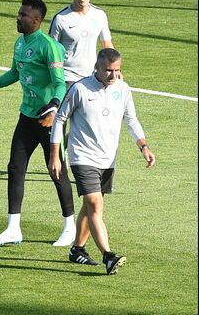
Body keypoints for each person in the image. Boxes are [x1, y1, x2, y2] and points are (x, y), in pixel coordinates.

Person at [0, 0, 73, 246]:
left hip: (48, 119)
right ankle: (13, 228)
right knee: (15, 167)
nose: (18, 18)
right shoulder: (20, 43)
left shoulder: (48, 46)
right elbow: (14, 73)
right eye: (18, 13)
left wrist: (54, 106)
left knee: (56, 170)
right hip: (26, 116)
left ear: (36, 20)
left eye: (23, 14)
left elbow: (60, 83)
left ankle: (70, 226)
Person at [48, 48, 154, 274]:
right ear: (97, 67)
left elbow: (131, 119)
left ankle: (77, 249)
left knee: (90, 206)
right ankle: (108, 256)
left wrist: (143, 146)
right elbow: (60, 119)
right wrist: (55, 155)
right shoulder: (80, 88)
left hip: (107, 158)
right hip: (82, 155)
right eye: (109, 70)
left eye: (117, 70)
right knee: (96, 204)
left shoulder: (123, 90)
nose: (114, 75)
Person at [49, 0, 113, 87]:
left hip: (92, 77)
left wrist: (114, 69)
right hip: (67, 77)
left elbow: (107, 45)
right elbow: (50, 50)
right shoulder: (61, 18)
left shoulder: (99, 15)